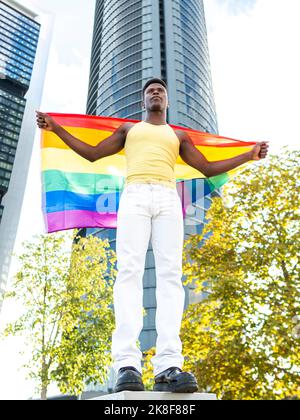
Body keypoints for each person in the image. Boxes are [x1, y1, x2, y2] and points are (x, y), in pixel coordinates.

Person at [36, 78, 269, 393]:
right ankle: (127, 364)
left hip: (167, 198)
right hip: (134, 195)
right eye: (150, 91)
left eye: (160, 90)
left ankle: (169, 366)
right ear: (143, 101)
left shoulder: (178, 135)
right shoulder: (129, 131)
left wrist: (249, 155)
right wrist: (56, 129)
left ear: (167, 101)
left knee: (171, 275)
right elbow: (91, 154)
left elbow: (206, 167)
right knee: (129, 271)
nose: (155, 93)